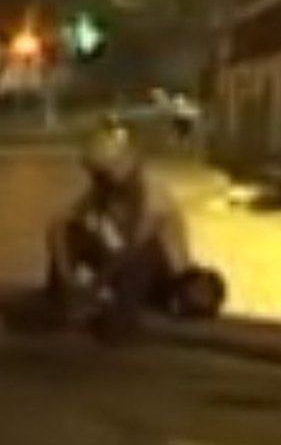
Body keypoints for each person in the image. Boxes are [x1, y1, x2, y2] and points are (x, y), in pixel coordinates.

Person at [46, 121, 193, 329]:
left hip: (165, 281)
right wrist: (66, 277)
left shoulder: (154, 199)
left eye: (103, 176)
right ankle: (60, 303)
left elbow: (129, 251)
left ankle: (120, 317)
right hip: (121, 269)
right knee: (74, 233)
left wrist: (93, 289)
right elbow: (58, 225)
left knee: (144, 253)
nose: (98, 182)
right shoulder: (104, 192)